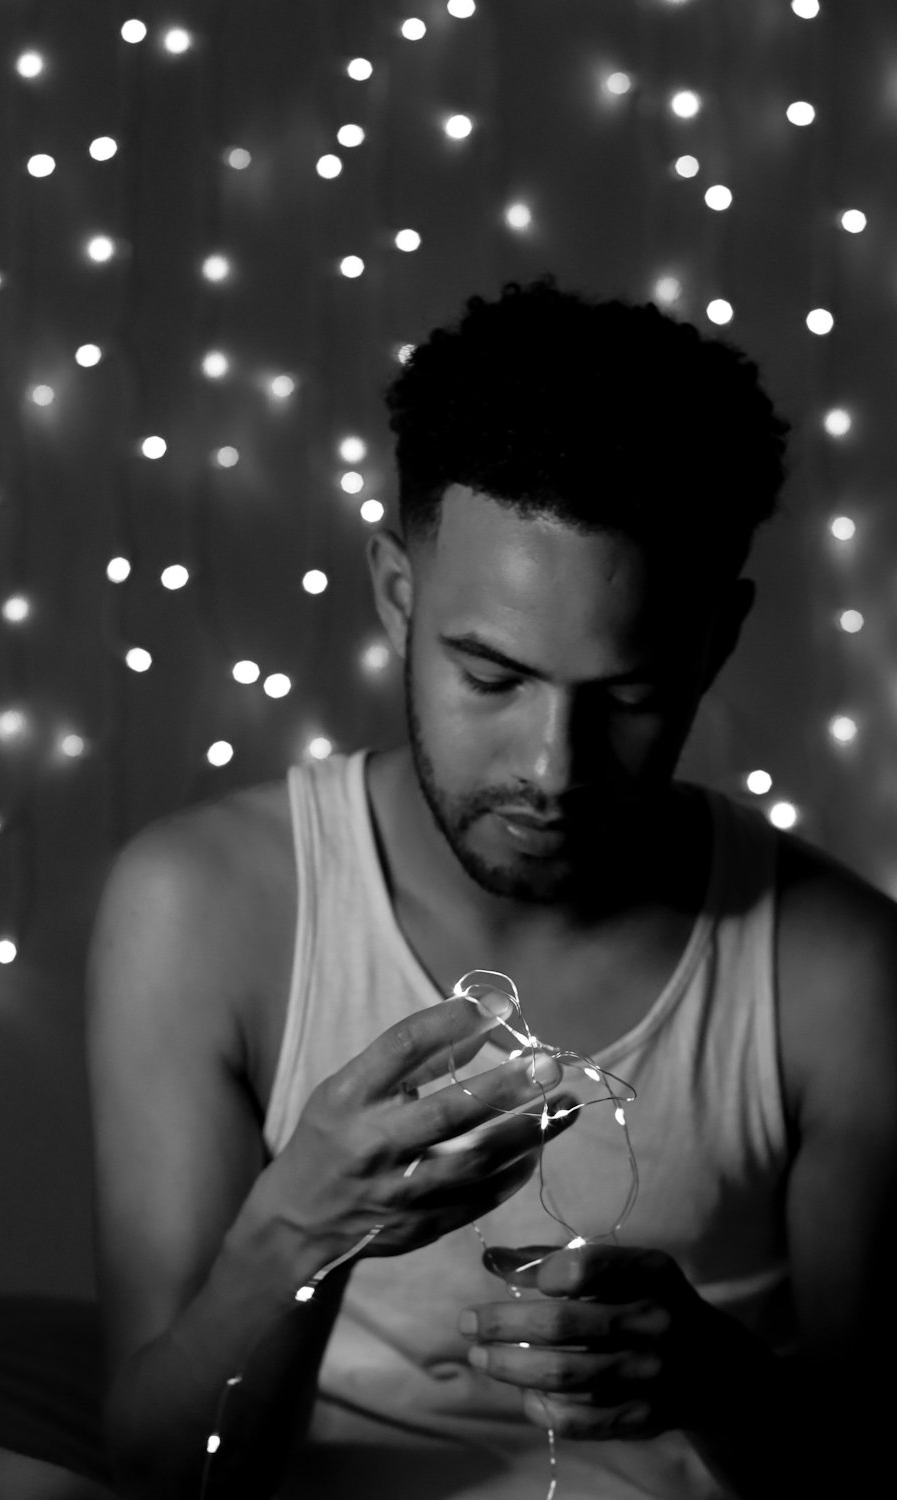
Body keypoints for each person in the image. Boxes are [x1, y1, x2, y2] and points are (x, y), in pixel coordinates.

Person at [83, 276, 897, 1500]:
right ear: (396, 594)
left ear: (713, 644)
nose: (550, 771)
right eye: (491, 676)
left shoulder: (835, 970)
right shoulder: (203, 908)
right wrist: (301, 1230)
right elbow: (161, 1469)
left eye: (624, 699)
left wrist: (711, 1378)